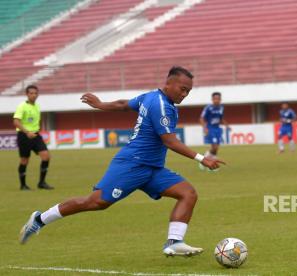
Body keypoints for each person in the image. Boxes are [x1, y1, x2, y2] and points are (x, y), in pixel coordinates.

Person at [19, 66, 224, 257]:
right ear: (168, 83)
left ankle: (174, 242)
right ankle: (39, 219)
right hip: (132, 165)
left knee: (188, 193)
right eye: (182, 89)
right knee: (96, 202)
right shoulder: (161, 105)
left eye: (188, 91)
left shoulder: (151, 97)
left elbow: (123, 104)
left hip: (152, 168)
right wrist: (201, 158)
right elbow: (169, 141)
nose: (184, 94)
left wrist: (100, 104)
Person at [13, 85, 53, 190]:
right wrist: (27, 132)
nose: (34, 95)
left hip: (36, 135)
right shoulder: (22, 106)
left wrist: (35, 131)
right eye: (31, 93)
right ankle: (23, 185)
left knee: (46, 156)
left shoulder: (37, 106)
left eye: (35, 93)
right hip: (24, 135)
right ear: (27, 94)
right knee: (24, 160)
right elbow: (16, 121)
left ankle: (42, 183)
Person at [199, 92, 230, 164]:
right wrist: (205, 128)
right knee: (214, 147)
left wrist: (226, 125)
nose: (216, 100)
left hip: (218, 129)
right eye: (215, 99)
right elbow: (201, 118)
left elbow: (221, 118)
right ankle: (205, 158)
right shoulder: (208, 108)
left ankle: (210, 160)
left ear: (220, 99)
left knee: (216, 148)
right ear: (212, 99)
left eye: (218, 99)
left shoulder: (221, 107)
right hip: (210, 129)